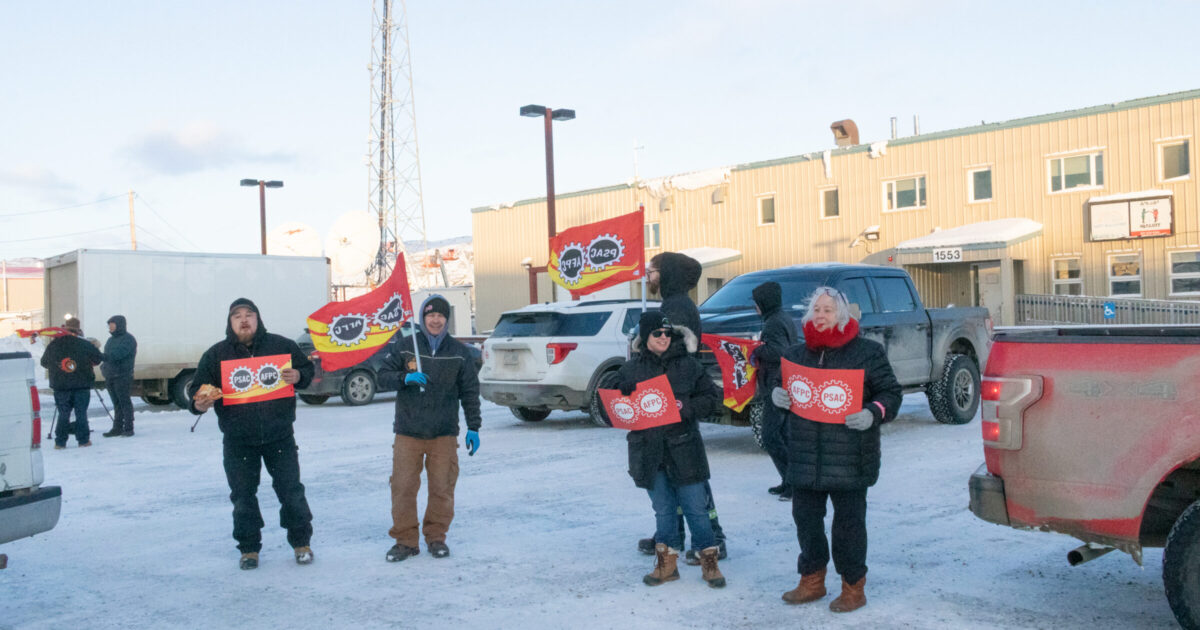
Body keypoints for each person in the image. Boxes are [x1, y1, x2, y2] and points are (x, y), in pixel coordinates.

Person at [770, 287, 901, 612]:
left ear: (842, 314)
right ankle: (811, 580)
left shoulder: (867, 352)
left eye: (828, 310)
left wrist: (873, 412)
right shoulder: (796, 355)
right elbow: (782, 387)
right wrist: (778, 397)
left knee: (849, 527)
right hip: (805, 458)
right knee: (806, 521)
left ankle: (853, 587)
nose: (821, 315)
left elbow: (891, 393)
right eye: (816, 310)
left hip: (850, 458)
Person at [188, 298, 316, 570]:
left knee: (291, 491)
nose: (244, 320)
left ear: (258, 319)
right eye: (237, 316)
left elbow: (307, 369)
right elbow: (199, 389)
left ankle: (301, 543)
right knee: (243, 496)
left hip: (279, 436)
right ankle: (249, 549)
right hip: (238, 441)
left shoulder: (281, 346)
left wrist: (299, 376)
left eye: (249, 314)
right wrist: (198, 402)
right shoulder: (216, 354)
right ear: (230, 322)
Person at [618, 310, 725, 588]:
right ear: (645, 336)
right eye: (657, 333)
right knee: (664, 511)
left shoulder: (688, 365)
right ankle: (667, 564)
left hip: (685, 448)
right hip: (649, 452)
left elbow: (713, 397)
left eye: (667, 333)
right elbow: (611, 410)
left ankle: (709, 560)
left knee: (696, 510)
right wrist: (620, 392)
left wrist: (686, 408)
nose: (664, 338)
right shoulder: (631, 369)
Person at [377, 295, 482, 563]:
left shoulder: (459, 352)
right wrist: (405, 378)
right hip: (408, 432)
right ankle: (405, 541)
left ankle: (436, 538)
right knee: (402, 488)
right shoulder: (405, 347)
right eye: (430, 315)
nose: (435, 320)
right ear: (423, 318)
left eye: (441, 316)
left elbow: (470, 392)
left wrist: (474, 427)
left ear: (447, 320)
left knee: (442, 488)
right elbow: (382, 377)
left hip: (443, 433)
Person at [639, 251, 728, 564]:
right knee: (671, 468)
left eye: (653, 271)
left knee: (688, 471)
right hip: (672, 391)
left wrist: (643, 348)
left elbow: (670, 347)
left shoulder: (677, 304)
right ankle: (670, 534)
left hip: (677, 394)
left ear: (668, 274)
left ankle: (713, 537)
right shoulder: (675, 301)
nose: (648, 276)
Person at [750, 281, 798, 500]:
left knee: (771, 436)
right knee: (785, 435)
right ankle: (789, 480)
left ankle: (793, 483)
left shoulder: (773, 323)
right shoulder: (782, 318)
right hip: (783, 382)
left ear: (764, 302)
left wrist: (757, 349)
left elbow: (779, 351)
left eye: (757, 303)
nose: (755, 307)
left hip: (777, 385)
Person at [40, 317, 103, 449]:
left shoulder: (54, 344)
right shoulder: (84, 343)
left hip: (61, 386)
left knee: (63, 413)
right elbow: (98, 358)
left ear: (64, 328)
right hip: (82, 384)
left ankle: (60, 442)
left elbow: (44, 362)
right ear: (78, 329)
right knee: (81, 413)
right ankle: (83, 440)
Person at [101, 315, 137, 437]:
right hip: (110, 376)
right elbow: (107, 356)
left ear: (119, 325)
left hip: (123, 375)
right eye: (109, 325)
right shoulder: (110, 340)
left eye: (112, 325)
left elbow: (118, 355)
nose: (110, 327)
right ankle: (117, 427)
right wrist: (103, 367)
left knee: (124, 401)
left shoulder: (128, 339)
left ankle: (128, 427)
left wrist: (102, 356)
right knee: (116, 403)